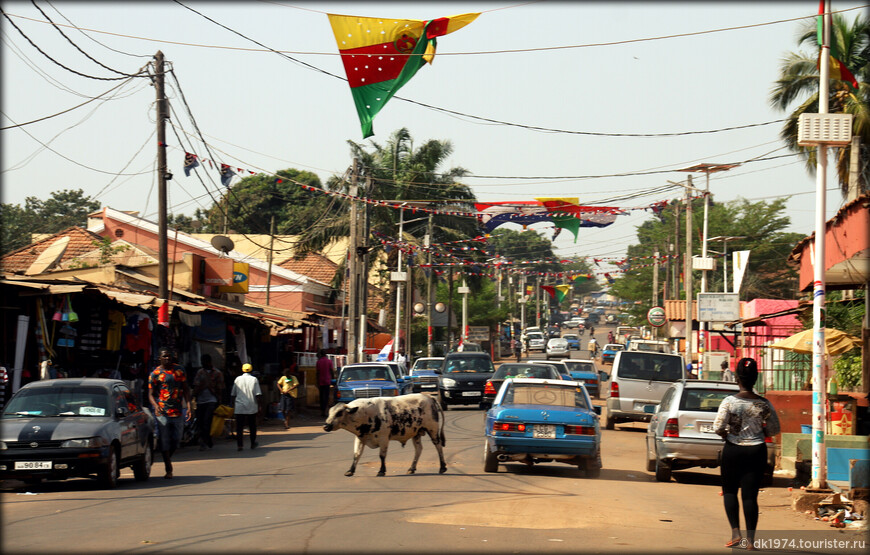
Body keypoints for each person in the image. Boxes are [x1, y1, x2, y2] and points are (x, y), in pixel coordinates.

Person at [713, 357, 781, 550]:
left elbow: (718, 426)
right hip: (756, 451)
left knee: (730, 491)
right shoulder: (764, 404)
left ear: (737, 379)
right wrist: (762, 431)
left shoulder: (729, 402)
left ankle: (736, 533)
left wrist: (727, 434)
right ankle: (751, 540)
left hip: (733, 450)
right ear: (756, 378)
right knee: (750, 496)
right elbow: (774, 429)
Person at [148, 348, 192, 479]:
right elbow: (150, 394)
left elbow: (186, 390)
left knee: (177, 439)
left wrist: (189, 407)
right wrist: (155, 406)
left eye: (169, 356)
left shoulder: (179, 370)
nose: (167, 358)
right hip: (162, 412)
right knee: (164, 439)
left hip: (177, 411)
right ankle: (169, 468)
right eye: (165, 357)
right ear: (159, 358)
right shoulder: (155, 374)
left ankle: (167, 457)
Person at [193, 354, 224, 451]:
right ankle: (206, 439)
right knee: (200, 422)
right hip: (200, 401)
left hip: (212, 400)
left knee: (207, 421)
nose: (203, 364)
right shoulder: (200, 372)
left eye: (204, 362)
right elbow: (196, 385)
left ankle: (206, 440)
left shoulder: (217, 373)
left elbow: (221, 387)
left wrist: (219, 399)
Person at [231, 363, 262, 451]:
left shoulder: (237, 379)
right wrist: (259, 406)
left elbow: (233, 394)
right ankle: (252, 443)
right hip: (251, 406)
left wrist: (233, 405)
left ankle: (239, 445)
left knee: (239, 427)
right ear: (251, 370)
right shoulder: (254, 379)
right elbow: (258, 394)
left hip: (239, 406)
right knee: (252, 425)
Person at [276, 363, 299, 429]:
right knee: (282, 409)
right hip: (283, 394)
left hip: (290, 395)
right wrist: (281, 389)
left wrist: (288, 390)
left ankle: (287, 423)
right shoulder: (283, 378)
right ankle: (285, 419)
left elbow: (296, 385)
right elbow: (278, 383)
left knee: (288, 410)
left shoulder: (293, 378)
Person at [316, 349, 334, 417]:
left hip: (321, 381)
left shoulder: (318, 362)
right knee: (326, 396)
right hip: (327, 381)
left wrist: (317, 381)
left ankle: (322, 411)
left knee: (321, 396)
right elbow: (331, 371)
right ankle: (325, 410)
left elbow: (317, 373)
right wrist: (333, 379)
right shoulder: (329, 361)